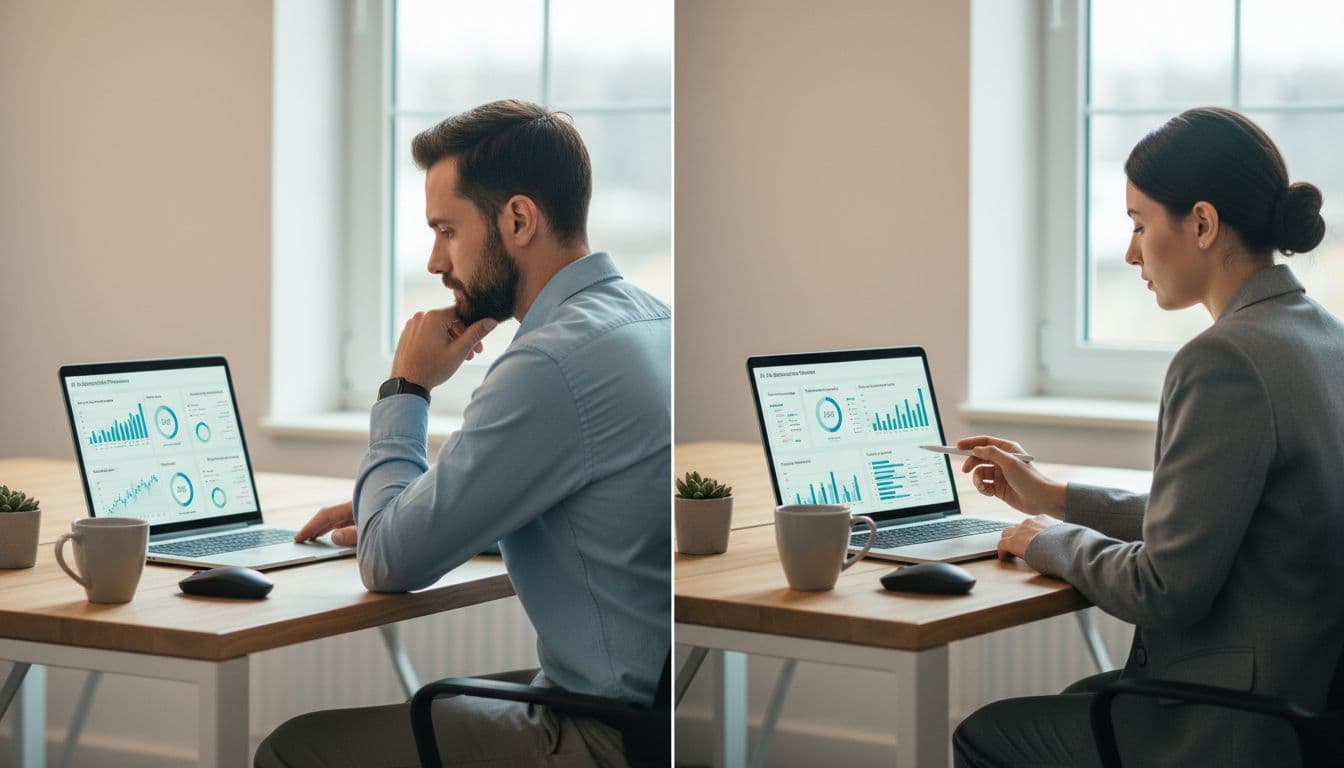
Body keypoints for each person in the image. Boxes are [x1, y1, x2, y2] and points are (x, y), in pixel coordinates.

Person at [254, 99, 671, 768]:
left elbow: (388, 563)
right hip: (654, 716)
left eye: (447, 230)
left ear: (517, 219)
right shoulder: (651, 322)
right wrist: (421, 513)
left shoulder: (549, 364)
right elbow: (603, 517)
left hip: (601, 736)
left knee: (292, 750)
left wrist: (406, 389)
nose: (434, 261)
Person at [951, 107, 1343, 767]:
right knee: (1081, 696)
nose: (1131, 252)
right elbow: (1216, 524)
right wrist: (1053, 496)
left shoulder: (1224, 360)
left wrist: (1050, 543)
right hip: (1309, 708)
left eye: (1139, 225)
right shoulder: (1323, 338)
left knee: (988, 735)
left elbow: (1167, 586)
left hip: (1233, 724)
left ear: (1202, 224)